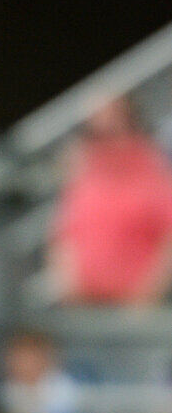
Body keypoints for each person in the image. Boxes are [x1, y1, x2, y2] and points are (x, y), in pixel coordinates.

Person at [44, 95, 172, 306]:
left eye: (111, 116)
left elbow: (168, 238)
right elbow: (64, 231)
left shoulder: (151, 165)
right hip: (83, 303)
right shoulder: (83, 167)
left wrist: (145, 296)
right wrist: (66, 280)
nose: (104, 126)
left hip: (133, 307)